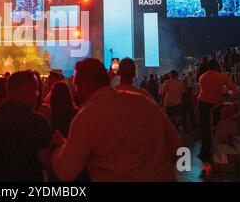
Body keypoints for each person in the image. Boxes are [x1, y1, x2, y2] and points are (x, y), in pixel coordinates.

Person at [50, 59, 181, 182]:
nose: (76, 92)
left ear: (84, 86)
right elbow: (176, 145)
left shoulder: (87, 116)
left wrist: (57, 148)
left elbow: (66, 171)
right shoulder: (145, 101)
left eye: (76, 86)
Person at [0, 71, 51, 181]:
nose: (36, 95)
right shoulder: (38, 123)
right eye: (34, 90)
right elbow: (46, 162)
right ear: (24, 93)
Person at [197, 58, 240, 164]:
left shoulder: (202, 77)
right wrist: (228, 99)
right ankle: (206, 152)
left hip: (202, 104)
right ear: (216, 66)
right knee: (212, 128)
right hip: (214, 106)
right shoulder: (221, 76)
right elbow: (236, 90)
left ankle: (205, 152)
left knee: (204, 129)